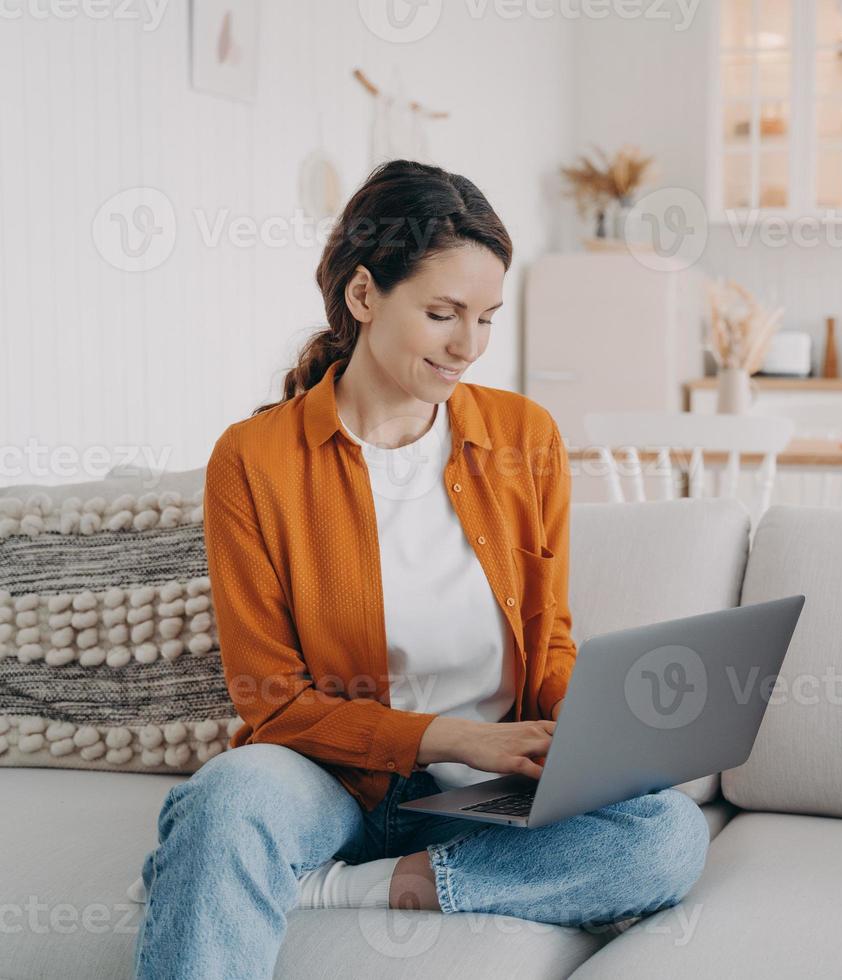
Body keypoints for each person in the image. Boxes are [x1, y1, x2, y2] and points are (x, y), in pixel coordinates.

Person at [130, 159, 709, 979]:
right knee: (227, 802)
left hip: (474, 800)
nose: (468, 346)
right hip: (323, 778)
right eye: (442, 314)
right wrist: (462, 737)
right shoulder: (254, 460)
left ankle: (358, 888)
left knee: (665, 834)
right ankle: (246, 863)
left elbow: (547, 647)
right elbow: (273, 701)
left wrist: (598, 736)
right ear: (364, 296)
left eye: (487, 318)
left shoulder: (525, 439)